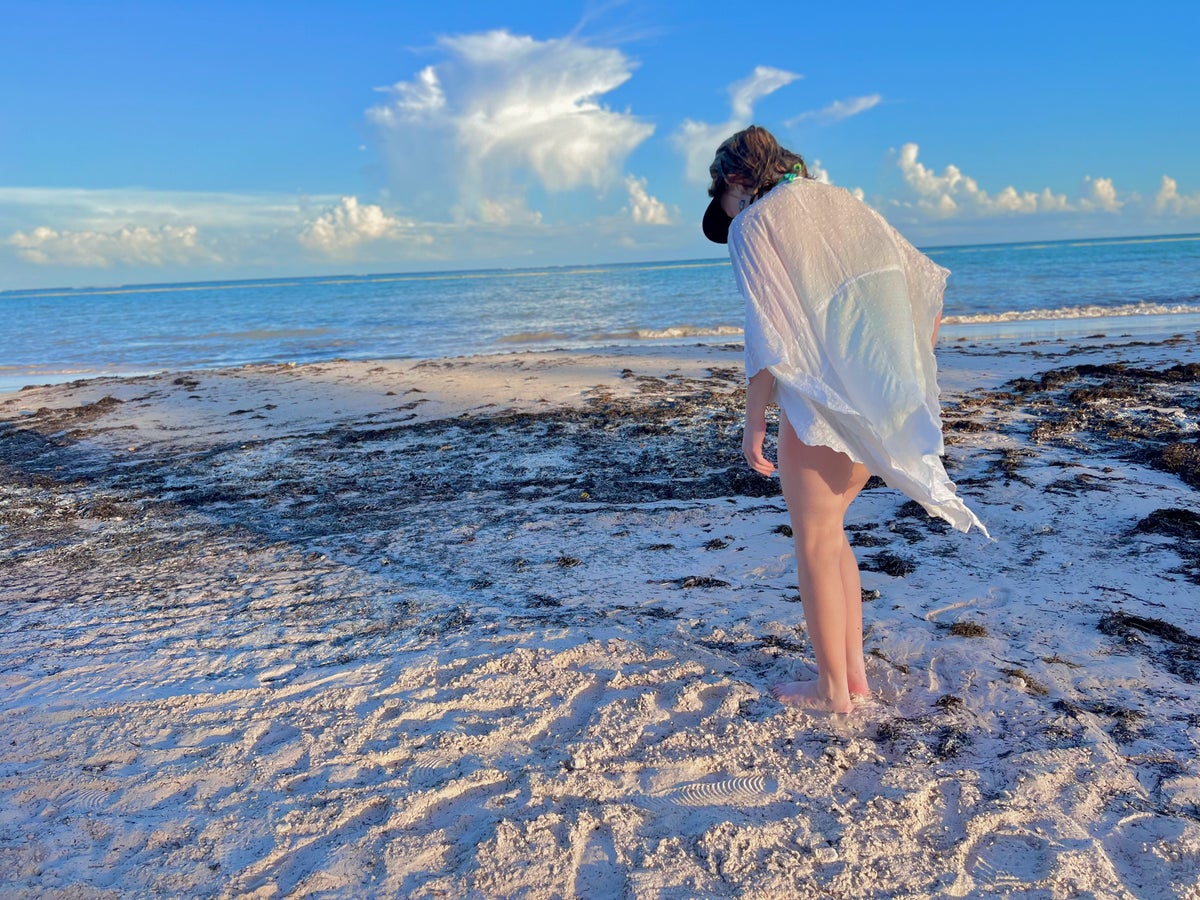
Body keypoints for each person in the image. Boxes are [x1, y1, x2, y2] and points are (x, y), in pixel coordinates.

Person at [703, 126, 988, 714]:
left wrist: (754, 422)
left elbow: (767, 334)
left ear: (736, 181)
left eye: (725, 208)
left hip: (821, 409)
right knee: (832, 539)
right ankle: (852, 676)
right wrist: (904, 374)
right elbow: (923, 282)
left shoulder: (754, 223)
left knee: (813, 543)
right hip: (877, 403)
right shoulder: (840, 201)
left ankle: (832, 691)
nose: (728, 220)